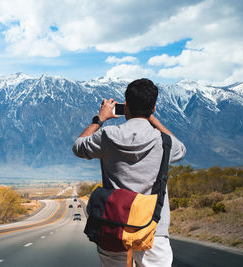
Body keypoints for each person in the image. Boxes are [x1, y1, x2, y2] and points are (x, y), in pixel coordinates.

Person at [73, 78, 186, 267]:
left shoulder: (107, 136)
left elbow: (78, 146)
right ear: (153, 108)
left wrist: (99, 119)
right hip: (154, 229)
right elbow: (181, 149)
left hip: (114, 225)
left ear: (126, 106)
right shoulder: (164, 142)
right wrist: (151, 117)